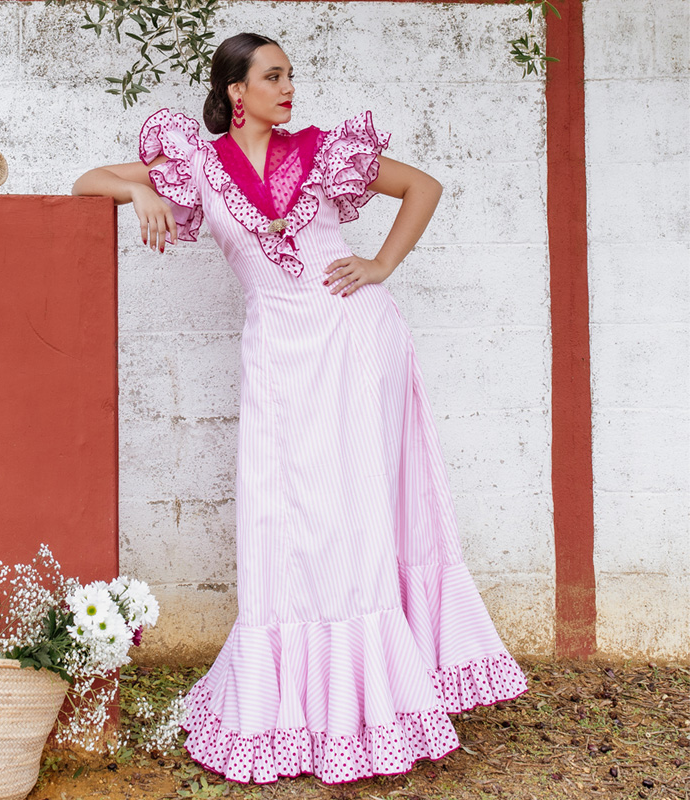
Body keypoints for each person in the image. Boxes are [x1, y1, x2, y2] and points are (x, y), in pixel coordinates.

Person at [73, 32, 528, 785]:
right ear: (234, 93)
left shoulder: (320, 151)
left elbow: (423, 188)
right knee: (284, 518)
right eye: (273, 76)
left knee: (352, 510)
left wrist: (380, 265)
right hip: (277, 352)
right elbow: (91, 179)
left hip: (353, 336)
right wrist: (142, 190)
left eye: (291, 75)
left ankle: (376, 701)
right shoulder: (193, 163)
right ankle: (298, 697)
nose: (289, 89)